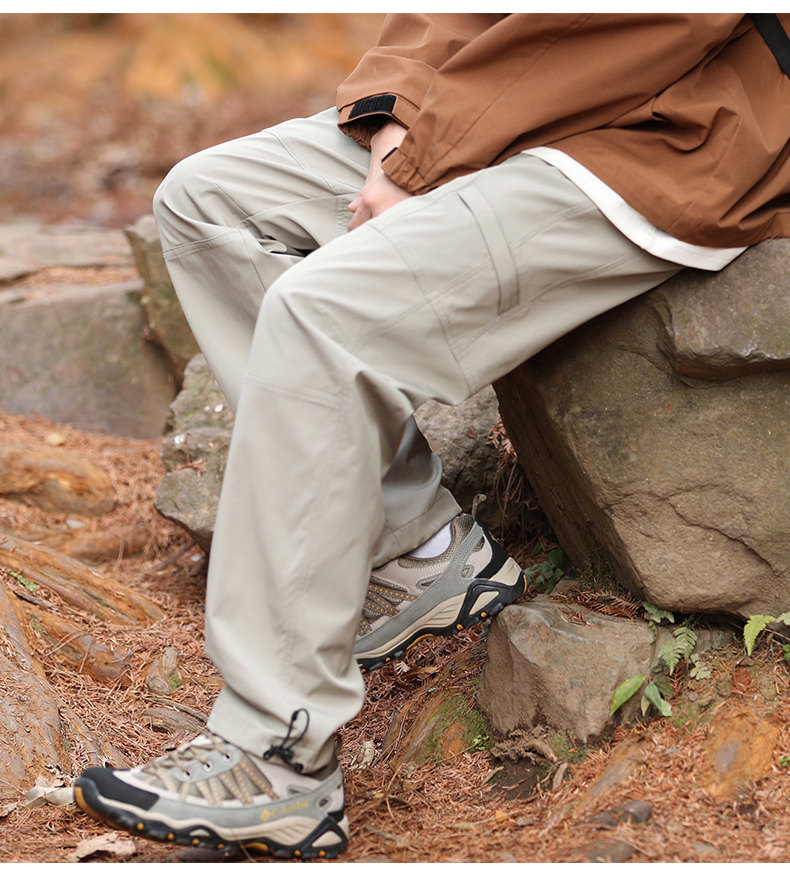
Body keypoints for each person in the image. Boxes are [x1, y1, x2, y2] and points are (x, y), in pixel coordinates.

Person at [74, 13, 790, 860]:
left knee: (319, 313)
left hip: (668, 134)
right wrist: (396, 125)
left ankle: (276, 755)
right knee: (207, 199)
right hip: (515, 111)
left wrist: (426, 158)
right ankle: (416, 552)